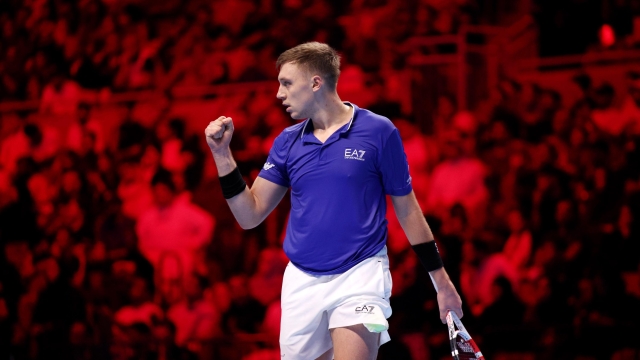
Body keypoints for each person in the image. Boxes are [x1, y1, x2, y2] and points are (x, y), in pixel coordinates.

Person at [204, 42, 463, 360]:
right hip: (302, 281)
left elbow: (408, 210)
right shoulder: (287, 142)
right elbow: (249, 214)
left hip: (361, 274)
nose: (278, 94)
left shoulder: (379, 132)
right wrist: (222, 155)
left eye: (286, 83)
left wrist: (441, 280)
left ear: (316, 82)